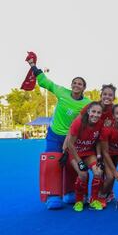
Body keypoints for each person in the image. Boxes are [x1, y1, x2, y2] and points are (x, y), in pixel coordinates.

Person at [26, 55, 91, 209]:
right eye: (74, 83)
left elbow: (99, 113)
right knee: (53, 163)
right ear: (71, 85)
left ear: (84, 88)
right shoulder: (62, 91)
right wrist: (33, 65)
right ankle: (53, 196)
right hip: (55, 136)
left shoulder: (87, 103)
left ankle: (70, 193)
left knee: (71, 164)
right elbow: (45, 82)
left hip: (73, 139)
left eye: (80, 84)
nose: (76, 85)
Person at [67, 102, 104, 212]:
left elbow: (97, 141)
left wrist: (98, 156)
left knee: (98, 172)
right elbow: (70, 144)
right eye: (93, 111)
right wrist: (79, 162)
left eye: (98, 113)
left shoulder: (100, 124)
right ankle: (79, 201)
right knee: (83, 174)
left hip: (89, 153)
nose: (95, 115)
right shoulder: (78, 123)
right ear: (88, 112)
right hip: (75, 154)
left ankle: (93, 200)